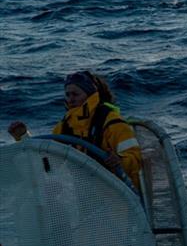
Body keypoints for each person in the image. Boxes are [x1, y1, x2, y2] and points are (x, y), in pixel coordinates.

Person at [7, 71, 143, 191]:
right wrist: (23, 138)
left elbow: (136, 160)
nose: (70, 99)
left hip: (119, 194)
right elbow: (47, 164)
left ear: (90, 95)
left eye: (75, 94)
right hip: (84, 195)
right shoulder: (64, 127)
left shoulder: (112, 122)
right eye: (67, 94)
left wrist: (119, 161)